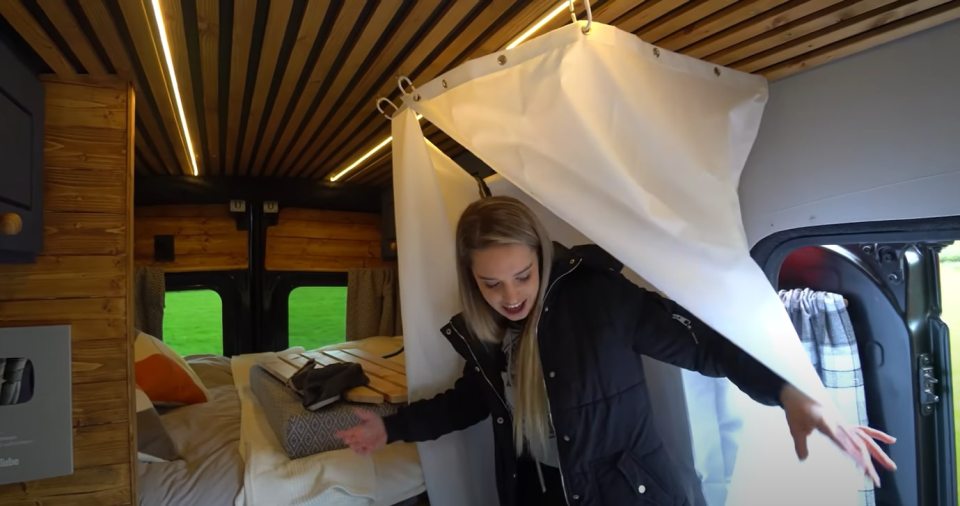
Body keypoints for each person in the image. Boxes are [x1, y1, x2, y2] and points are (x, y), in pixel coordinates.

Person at [337, 196, 896, 505]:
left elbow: (707, 347)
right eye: (491, 284)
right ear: (472, 281)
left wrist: (789, 391)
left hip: (627, 495)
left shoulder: (600, 300)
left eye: (522, 275)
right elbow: (471, 401)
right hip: (541, 492)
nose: (510, 296)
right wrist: (393, 428)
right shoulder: (488, 333)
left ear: (541, 259)